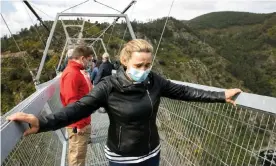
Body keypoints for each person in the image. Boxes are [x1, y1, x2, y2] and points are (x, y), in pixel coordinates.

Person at [7, 39, 242, 166]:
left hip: (152, 153)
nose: (144, 70)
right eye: (139, 65)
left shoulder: (155, 81)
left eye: (148, 65)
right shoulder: (109, 86)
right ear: (124, 61)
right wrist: (42, 122)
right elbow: (78, 108)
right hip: (123, 157)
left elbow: (184, 91)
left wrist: (220, 95)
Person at [59, 45, 93, 166]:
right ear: (82, 58)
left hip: (81, 121)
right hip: (78, 124)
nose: (89, 63)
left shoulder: (75, 72)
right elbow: (71, 102)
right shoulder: (72, 74)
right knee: (77, 157)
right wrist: (79, 124)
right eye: (89, 60)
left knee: (79, 155)